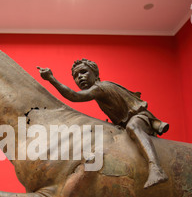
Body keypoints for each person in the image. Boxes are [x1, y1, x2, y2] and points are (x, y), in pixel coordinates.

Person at [37, 59, 169, 188]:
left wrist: (51, 79)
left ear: (95, 74)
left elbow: (75, 96)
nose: (80, 77)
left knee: (133, 127)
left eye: (84, 72)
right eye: (76, 76)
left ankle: (156, 168)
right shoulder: (98, 92)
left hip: (139, 117)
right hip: (124, 124)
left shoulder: (100, 87)